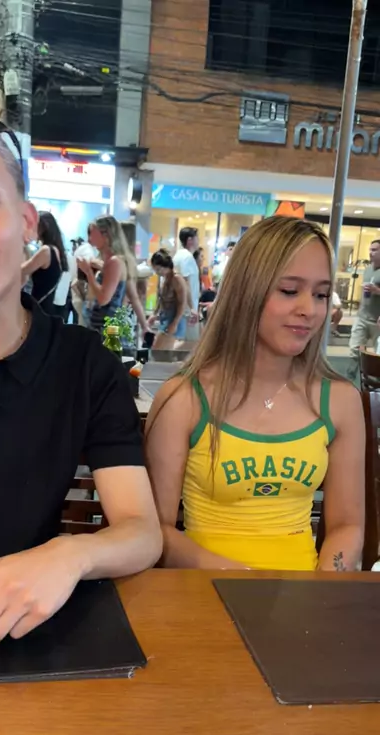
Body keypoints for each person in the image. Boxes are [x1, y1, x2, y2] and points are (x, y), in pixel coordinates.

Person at [0, 115, 162, 650]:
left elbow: (141, 531)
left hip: (30, 632)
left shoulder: (85, 364)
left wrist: (70, 554)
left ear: (26, 222)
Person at [146, 217, 364, 573]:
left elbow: (347, 525)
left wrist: (323, 587)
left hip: (306, 596)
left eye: (321, 294)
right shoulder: (182, 399)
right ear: (245, 292)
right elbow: (155, 533)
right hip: (203, 592)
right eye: (289, 290)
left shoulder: (340, 400)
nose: (309, 310)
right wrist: (243, 582)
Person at [77, 215, 130, 334]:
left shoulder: (114, 262)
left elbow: (103, 299)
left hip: (107, 328)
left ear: (106, 235)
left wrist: (88, 272)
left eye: (93, 234)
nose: (89, 239)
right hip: (101, 325)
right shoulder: (108, 261)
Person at [21, 211, 69, 316]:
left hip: (40, 307)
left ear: (43, 228)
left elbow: (22, 270)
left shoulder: (46, 251)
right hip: (47, 305)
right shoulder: (56, 250)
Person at [347, 240, 380, 380]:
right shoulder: (367, 270)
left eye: (374, 250)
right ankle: (349, 380)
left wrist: (377, 291)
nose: (371, 252)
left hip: (377, 321)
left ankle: (377, 385)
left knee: (378, 355)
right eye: (370, 249)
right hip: (362, 317)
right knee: (354, 349)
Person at [148, 249, 187, 350]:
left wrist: (175, 323)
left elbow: (182, 303)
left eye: (158, 269)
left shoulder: (176, 279)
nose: (157, 272)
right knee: (160, 351)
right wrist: (154, 313)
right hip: (166, 319)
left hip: (174, 320)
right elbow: (161, 298)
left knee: (159, 351)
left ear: (165, 266)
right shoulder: (165, 278)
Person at [173, 227, 200, 347]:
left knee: (182, 342)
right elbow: (186, 282)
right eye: (196, 238)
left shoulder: (179, 255)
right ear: (190, 240)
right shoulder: (187, 257)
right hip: (187, 309)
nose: (198, 241)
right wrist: (192, 308)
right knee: (189, 345)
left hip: (182, 307)